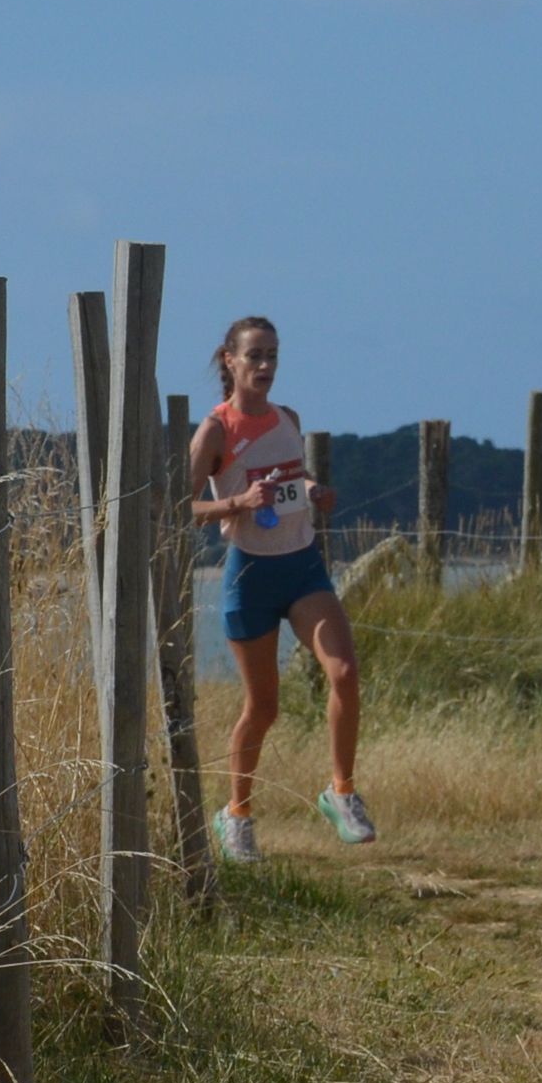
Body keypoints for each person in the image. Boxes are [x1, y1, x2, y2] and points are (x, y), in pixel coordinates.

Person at [190, 316, 372, 858]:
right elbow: (179, 505)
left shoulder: (287, 418)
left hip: (302, 567)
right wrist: (237, 503)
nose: (266, 365)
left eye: (273, 355)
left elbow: (292, 477)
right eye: (255, 356)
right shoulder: (216, 430)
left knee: (345, 673)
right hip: (250, 575)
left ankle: (341, 792)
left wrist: (313, 490)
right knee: (263, 708)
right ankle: (236, 814)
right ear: (230, 360)